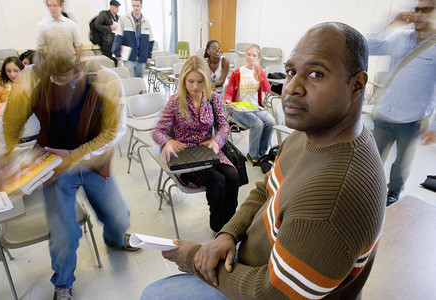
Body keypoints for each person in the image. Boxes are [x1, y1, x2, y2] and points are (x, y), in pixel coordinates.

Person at [141, 22, 386, 300]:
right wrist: (228, 235)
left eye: (316, 74)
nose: (292, 87)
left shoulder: (334, 196)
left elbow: (271, 294)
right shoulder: (307, 136)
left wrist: (195, 258)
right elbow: (266, 189)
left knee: (154, 294)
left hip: (264, 286)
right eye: (292, 71)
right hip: (250, 257)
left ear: (357, 85)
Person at [2, 52, 138, 300]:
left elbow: (116, 131)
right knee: (64, 233)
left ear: (79, 65)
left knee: (118, 217)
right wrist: (14, 158)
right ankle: (62, 283)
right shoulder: (39, 81)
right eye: (49, 73)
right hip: (56, 167)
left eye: (59, 75)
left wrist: (76, 155)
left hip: (94, 163)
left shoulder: (107, 81)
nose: (53, 79)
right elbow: (18, 125)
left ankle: (116, 240)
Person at [152, 56, 239, 234]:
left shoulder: (213, 98)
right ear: (184, 79)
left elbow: (224, 126)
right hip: (186, 156)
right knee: (218, 181)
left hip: (209, 151)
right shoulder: (176, 101)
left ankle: (231, 225)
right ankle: (218, 229)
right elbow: (157, 131)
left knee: (232, 175)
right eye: (190, 81)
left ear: (206, 81)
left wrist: (216, 141)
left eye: (200, 81)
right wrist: (167, 141)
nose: (195, 86)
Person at [368, 0, 436, 206]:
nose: (419, 14)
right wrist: (391, 23)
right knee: (372, 160)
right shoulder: (400, 37)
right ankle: (368, 189)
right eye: (417, 9)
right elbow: (368, 46)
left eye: (426, 9)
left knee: (400, 164)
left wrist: (433, 126)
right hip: (384, 114)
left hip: (412, 119)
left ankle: (392, 194)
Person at [223, 44, 275, 164]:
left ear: (258, 58)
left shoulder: (259, 72)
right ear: (245, 55)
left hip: (255, 107)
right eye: (248, 54)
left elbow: (267, 89)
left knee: (271, 122)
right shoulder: (237, 72)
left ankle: (262, 153)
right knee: (257, 124)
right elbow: (229, 92)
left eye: (254, 55)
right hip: (238, 108)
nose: (250, 57)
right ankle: (253, 155)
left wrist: (260, 72)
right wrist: (228, 101)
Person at [112, 0, 154, 78]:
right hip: (129, 56)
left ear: (141, 6)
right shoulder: (124, 19)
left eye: (138, 6)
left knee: (139, 80)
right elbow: (118, 35)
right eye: (133, 6)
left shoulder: (146, 22)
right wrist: (116, 52)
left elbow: (150, 40)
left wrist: (149, 55)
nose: (136, 8)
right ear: (131, 6)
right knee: (131, 81)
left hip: (142, 56)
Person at [36, 0, 82, 64]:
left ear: (60, 5)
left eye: (55, 5)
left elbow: (78, 45)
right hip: (53, 66)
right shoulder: (42, 25)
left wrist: (77, 62)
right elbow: (39, 48)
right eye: (49, 5)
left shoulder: (71, 24)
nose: (52, 8)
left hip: (70, 64)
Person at [95, 0, 121, 66]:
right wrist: (110, 28)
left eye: (118, 7)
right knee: (108, 63)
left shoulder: (118, 17)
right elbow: (97, 25)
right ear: (111, 6)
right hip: (106, 44)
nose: (117, 9)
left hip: (116, 44)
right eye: (116, 7)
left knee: (116, 63)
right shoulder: (104, 14)